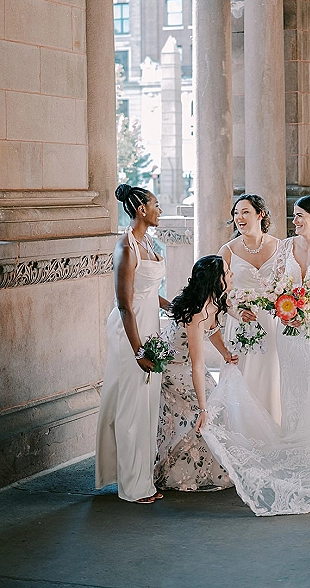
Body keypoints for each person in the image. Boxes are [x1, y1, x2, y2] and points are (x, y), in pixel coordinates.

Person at [202, 195, 310, 516]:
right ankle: (289, 445)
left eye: (299, 216)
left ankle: (309, 452)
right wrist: (282, 306)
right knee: (288, 387)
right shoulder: (286, 246)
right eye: (294, 216)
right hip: (286, 327)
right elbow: (271, 284)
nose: (295, 221)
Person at [95, 184, 169, 503]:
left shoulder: (148, 242)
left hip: (150, 325)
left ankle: (144, 478)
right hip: (130, 331)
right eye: (156, 205)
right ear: (141, 209)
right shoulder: (126, 248)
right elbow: (125, 303)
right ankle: (131, 486)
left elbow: (149, 291)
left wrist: (173, 306)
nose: (159, 210)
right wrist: (138, 350)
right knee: (130, 405)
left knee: (147, 405)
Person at [154, 256, 238, 492]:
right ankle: (177, 471)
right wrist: (202, 408)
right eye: (227, 273)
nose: (231, 276)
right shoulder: (196, 311)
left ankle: (205, 467)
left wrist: (225, 353)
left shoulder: (213, 302)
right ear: (215, 281)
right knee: (206, 411)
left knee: (218, 407)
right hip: (173, 369)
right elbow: (198, 365)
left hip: (187, 365)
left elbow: (212, 330)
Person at [219, 195, 281, 422]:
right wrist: (235, 312)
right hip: (240, 322)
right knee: (242, 375)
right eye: (236, 213)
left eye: (245, 212)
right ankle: (241, 426)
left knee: (270, 376)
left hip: (273, 321)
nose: (239, 218)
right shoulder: (228, 250)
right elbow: (218, 294)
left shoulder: (280, 247)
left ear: (260, 214)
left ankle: (273, 423)